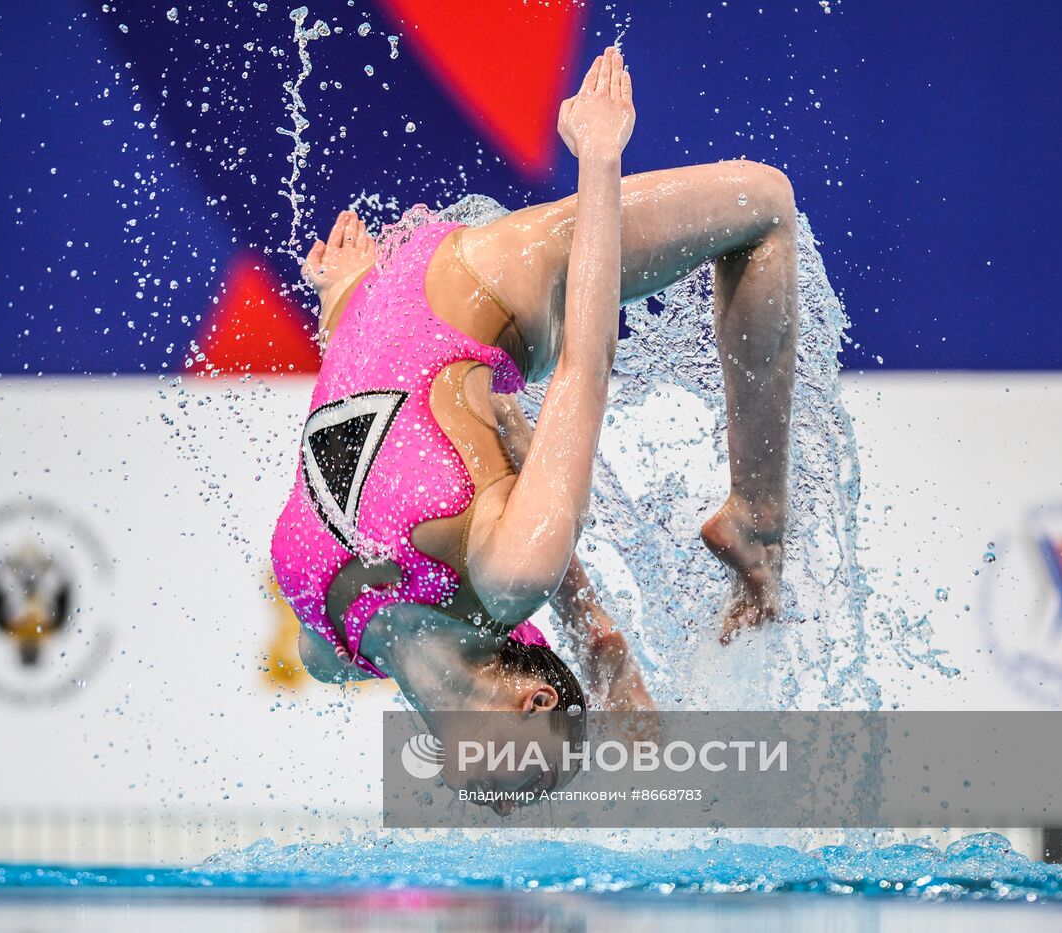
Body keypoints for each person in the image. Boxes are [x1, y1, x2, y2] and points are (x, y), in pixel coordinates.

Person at [270, 46, 797, 810]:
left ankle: (736, 536)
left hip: (395, 311)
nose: (516, 804)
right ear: (533, 708)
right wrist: (600, 156)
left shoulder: (328, 648)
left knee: (502, 498)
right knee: (767, 205)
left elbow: (362, 457)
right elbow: (585, 361)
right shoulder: (339, 637)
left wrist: (346, 315)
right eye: (538, 780)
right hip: (460, 293)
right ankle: (759, 519)